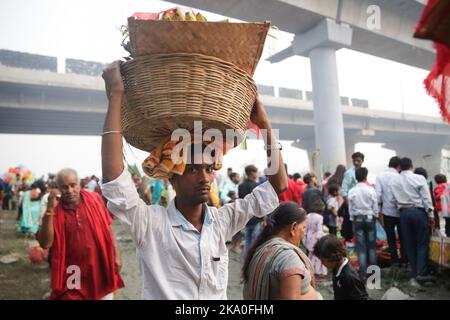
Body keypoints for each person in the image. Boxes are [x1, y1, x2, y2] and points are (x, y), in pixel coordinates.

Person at [100, 61, 288, 299]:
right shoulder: (150, 224)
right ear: (172, 178)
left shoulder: (222, 221)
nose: (204, 177)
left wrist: (264, 125)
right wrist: (116, 95)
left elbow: (278, 186)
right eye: (192, 169)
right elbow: (114, 180)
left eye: (209, 169)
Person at [37, 168, 124, 300]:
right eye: (64, 187)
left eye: (73, 185)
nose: (70, 191)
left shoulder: (94, 199)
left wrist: (116, 254)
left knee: (104, 294)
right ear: (58, 188)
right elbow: (45, 243)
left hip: (99, 263)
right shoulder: (55, 209)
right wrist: (50, 208)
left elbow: (108, 227)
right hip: (72, 269)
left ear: (80, 184)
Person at [243, 202, 319, 300]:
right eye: (303, 227)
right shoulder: (288, 258)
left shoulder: (262, 247)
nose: (303, 233)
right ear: (293, 227)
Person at [390, 157, 435, 286]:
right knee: (422, 243)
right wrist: (431, 215)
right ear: (411, 166)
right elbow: (426, 198)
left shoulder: (394, 181)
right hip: (418, 212)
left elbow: (393, 200)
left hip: (403, 214)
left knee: (409, 244)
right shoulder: (419, 178)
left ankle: (415, 273)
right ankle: (421, 273)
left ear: (399, 167)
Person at [314, 235, 368, 300]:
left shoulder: (349, 277)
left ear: (332, 257)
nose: (322, 263)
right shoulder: (336, 268)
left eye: (323, 260)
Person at [348, 167, 379, 280]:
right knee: (371, 247)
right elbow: (375, 206)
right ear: (366, 176)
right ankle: (374, 277)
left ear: (356, 177)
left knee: (361, 248)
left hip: (358, 220)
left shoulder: (352, 191)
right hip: (370, 219)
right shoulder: (371, 190)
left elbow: (350, 209)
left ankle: (363, 275)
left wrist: (352, 219)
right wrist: (375, 215)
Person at [375, 156, 406, 267]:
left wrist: (378, 212)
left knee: (391, 237)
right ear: (398, 166)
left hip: (387, 212)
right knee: (403, 237)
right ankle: (404, 260)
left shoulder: (380, 177)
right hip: (401, 211)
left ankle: (394, 261)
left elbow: (378, 196)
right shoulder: (400, 176)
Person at [341, 152, 365, 242]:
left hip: (361, 204)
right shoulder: (349, 173)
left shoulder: (363, 171)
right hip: (351, 204)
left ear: (362, 161)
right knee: (350, 229)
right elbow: (344, 191)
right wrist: (349, 206)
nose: (356, 163)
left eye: (358, 161)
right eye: (354, 160)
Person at [239, 164, 262, 255]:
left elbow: (241, 201)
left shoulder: (241, 186)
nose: (257, 174)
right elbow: (260, 202)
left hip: (245, 216)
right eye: (256, 172)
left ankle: (246, 258)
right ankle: (252, 260)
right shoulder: (257, 185)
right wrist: (263, 217)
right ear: (252, 173)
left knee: (247, 239)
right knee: (255, 240)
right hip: (255, 217)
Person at [305, 198, 328, 277]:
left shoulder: (308, 215)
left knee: (311, 254)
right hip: (315, 237)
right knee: (317, 255)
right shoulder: (319, 217)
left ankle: (310, 269)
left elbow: (306, 228)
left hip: (308, 236)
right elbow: (319, 230)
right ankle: (318, 271)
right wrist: (322, 237)